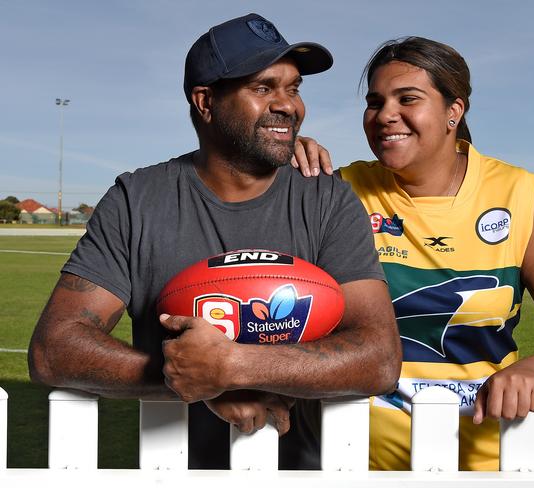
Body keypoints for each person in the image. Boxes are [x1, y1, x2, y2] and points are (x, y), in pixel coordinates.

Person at [27, 13, 401, 470]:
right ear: (205, 101)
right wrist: (188, 379)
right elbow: (54, 349)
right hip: (172, 470)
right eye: (264, 88)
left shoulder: (327, 199)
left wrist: (235, 369)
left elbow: (380, 358)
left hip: (302, 473)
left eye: (294, 88)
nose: (290, 106)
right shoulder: (138, 200)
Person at [293, 37, 534, 470]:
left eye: (408, 99)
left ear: (453, 111)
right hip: (355, 461)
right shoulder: (340, 190)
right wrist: (277, 156)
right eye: (375, 101)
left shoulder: (517, 194)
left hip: (483, 459)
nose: (385, 116)